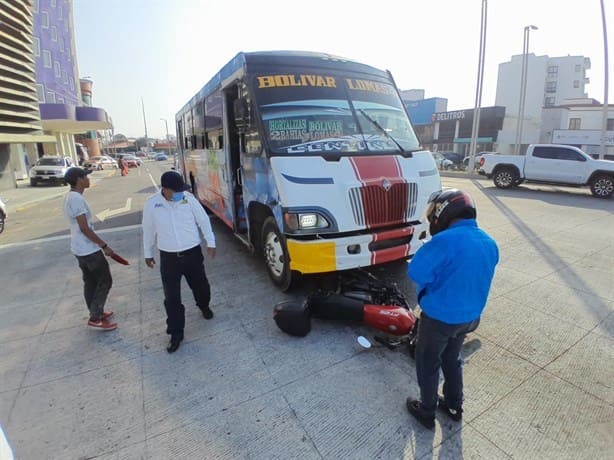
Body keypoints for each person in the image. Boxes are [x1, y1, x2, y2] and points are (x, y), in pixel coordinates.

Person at [405, 189, 498, 429]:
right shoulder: (489, 242)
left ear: (442, 213)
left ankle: (427, 410)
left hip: (439, 318)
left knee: (428, 362)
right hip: (469, 318)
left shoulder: (444, 241)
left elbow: (416, 272)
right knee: (452, 358)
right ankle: (454, 405)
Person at [142, 171, 216, 353]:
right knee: (172, 298)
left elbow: (203, 220)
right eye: (176, 190)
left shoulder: (188, 200)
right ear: (165, 190)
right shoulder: (152, 204)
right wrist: (148, 252)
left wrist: (210, 241)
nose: (180, 193)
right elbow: (148, 229)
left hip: (192, 253)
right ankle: (176, 333)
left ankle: (204, 305)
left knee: (200, 285)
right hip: (169, 258)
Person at [63, 167, 118, 331]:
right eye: (86, 176)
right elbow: (84, 228)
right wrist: (104, 246)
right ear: (79, 180)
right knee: (105, 280)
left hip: (80, 248)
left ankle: (97, 312)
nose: (88, 179)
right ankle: (95, 317)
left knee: (91, 282)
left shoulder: (71, 197)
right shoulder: (76, 199)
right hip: (88, 249)